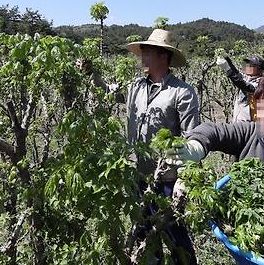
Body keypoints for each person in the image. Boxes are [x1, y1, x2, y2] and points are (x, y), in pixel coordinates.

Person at [85, 28, 200, 264]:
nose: (142, 56)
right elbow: (111, 93)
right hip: (137, 175)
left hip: (167, 177)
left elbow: (192, 137)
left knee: (174, 234)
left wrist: (183, 179)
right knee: (144, 234)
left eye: (146, 51)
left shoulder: (182, 93)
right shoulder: (135, 86)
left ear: (163, 56)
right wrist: (91, 74)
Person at [216, 54, 264, 122]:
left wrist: (227, 68)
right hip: (240, 119)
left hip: (249, 122)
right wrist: (227, 59)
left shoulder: (261, 83)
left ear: (259, 69)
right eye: (248, 65)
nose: (248, 67)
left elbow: (243, 85)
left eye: (252, 66)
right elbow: (237, 74)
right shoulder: (248, 78)